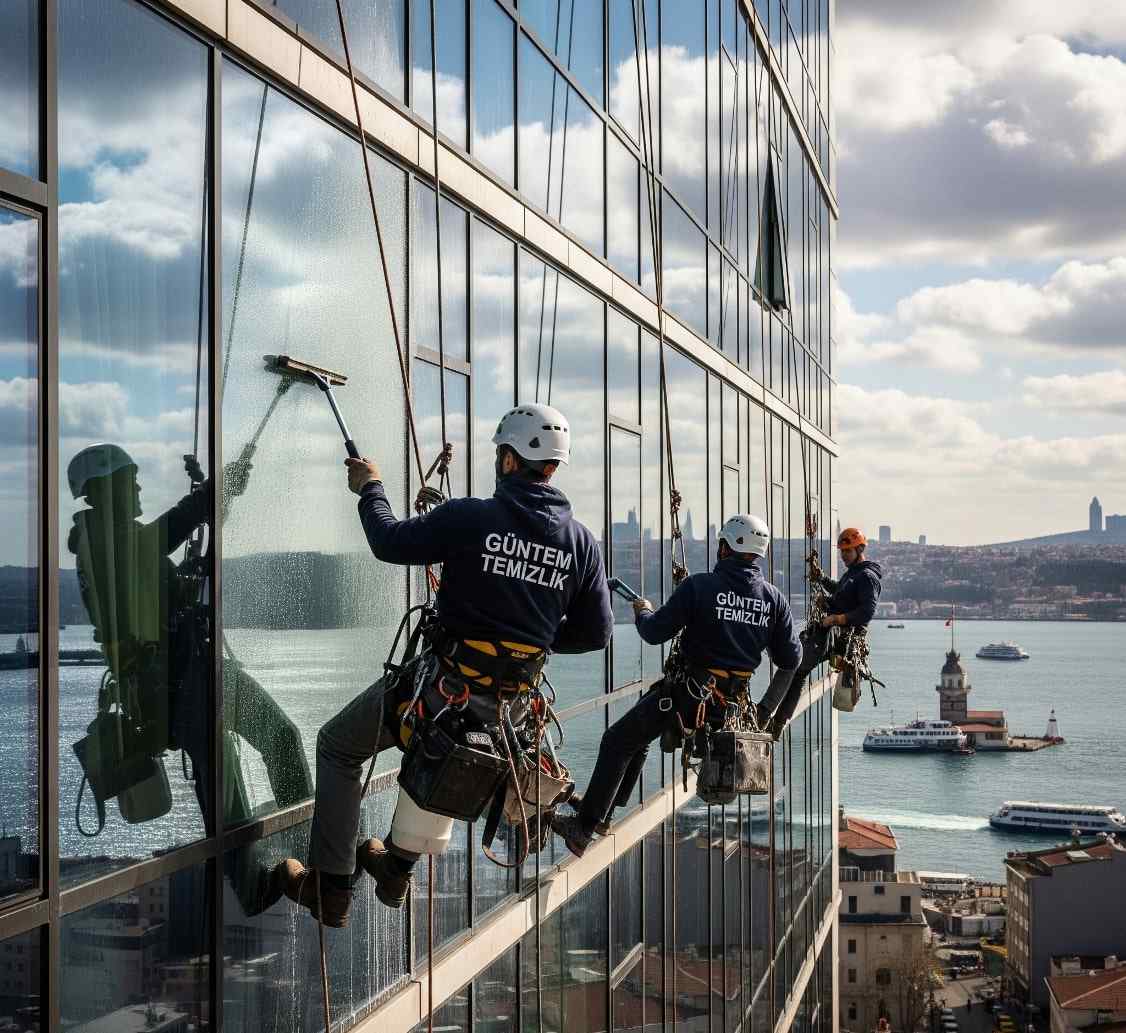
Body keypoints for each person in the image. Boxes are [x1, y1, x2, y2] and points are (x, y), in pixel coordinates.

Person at [273, 403, 613, 926]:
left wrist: (371, 488)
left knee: (340, 745)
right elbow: (596, 633)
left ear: (507, 460)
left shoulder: (472, 518)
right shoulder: (582, 544)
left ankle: (330, 887)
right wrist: (529, 646)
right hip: (510, 708)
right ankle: (395, 872)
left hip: (445, 686)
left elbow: (389, 541)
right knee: (456, 749)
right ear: (553, 467)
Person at [66, 443, 312, 913]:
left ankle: (292, 859)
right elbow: (160, 538)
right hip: (177, 683)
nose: (138, 486)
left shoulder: (113, 541)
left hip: (189, 673)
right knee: (227, 774)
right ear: (106, 488)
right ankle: (262, 879)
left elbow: (163, 582)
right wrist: (210, 496)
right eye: (129, 479)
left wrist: (211, 507)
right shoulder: (103, 542)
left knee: (262, 747)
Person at [552, 514, 802, 859]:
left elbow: (653, 633)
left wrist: (642, 611)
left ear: (724, 548)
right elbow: (791, 660)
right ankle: (600, 813)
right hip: (730, 708)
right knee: (633, 744)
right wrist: (765, 711)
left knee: (617, 741)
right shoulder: (774, 600)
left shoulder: (700, 587)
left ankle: (584, 828)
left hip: (687, 696)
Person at [755, 526, 883, 738]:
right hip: (831, 632)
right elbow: (843, 593)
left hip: (838, 634)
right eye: (842, 552)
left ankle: (763, 713)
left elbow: (867, 611)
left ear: (860, 550)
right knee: (799, 673)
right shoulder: (854, 574)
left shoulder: (867, 577)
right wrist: (822, 580)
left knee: (791, 663)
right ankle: (776, 725)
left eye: (847, 551)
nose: (843, 556)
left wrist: (836, 618)